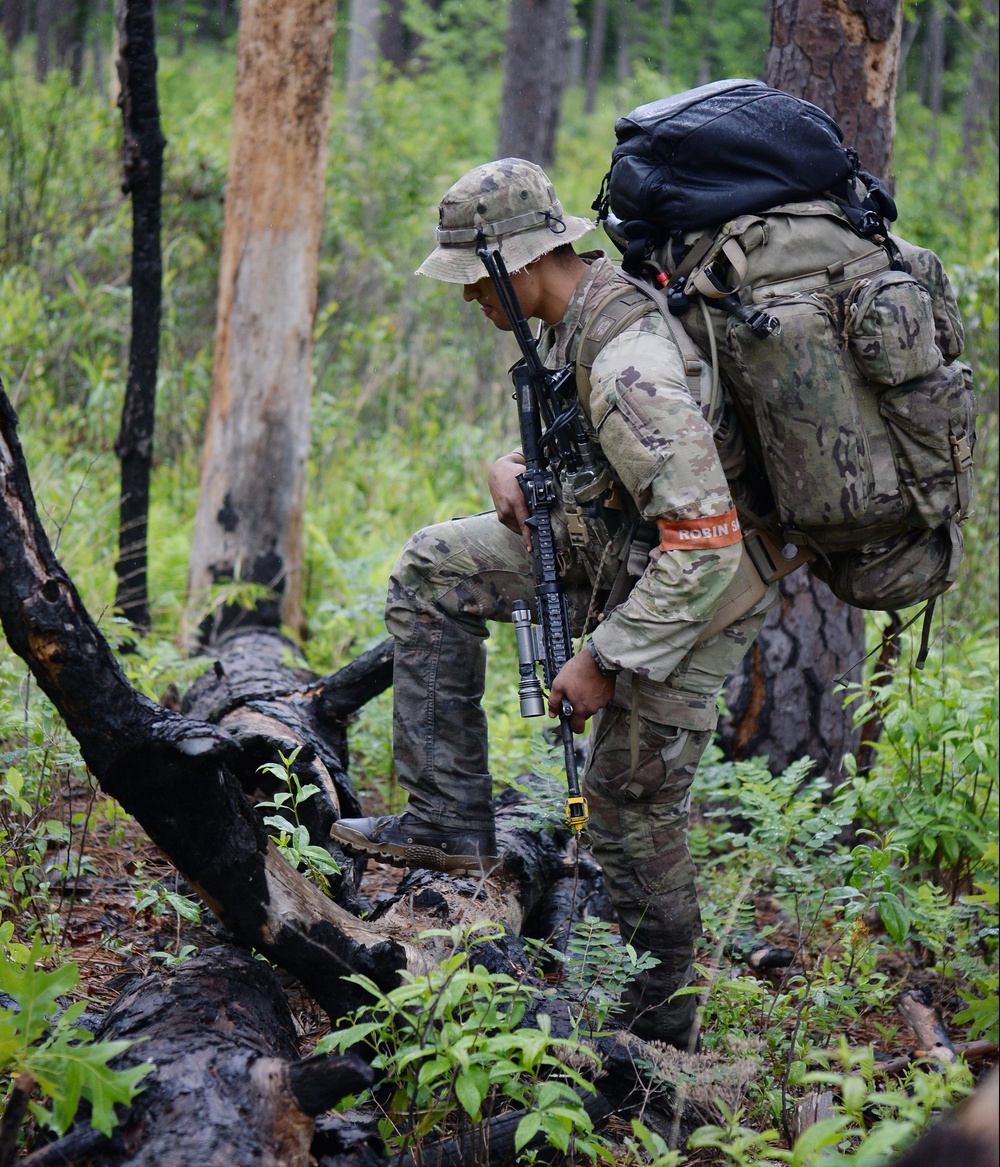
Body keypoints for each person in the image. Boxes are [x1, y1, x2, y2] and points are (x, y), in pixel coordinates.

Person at [331, 157, 777, 1049]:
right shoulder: (580, 321)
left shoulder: (627, 364)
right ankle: (447, 819)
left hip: (695, 592)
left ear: (525, 261)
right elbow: (605, 460)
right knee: (434, 569)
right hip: (614, 549)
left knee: (624, 801)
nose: (470, 300)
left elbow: (706, 543)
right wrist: (515, 468)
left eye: (474, 280)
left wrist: (604, 657)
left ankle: (660, 1034)